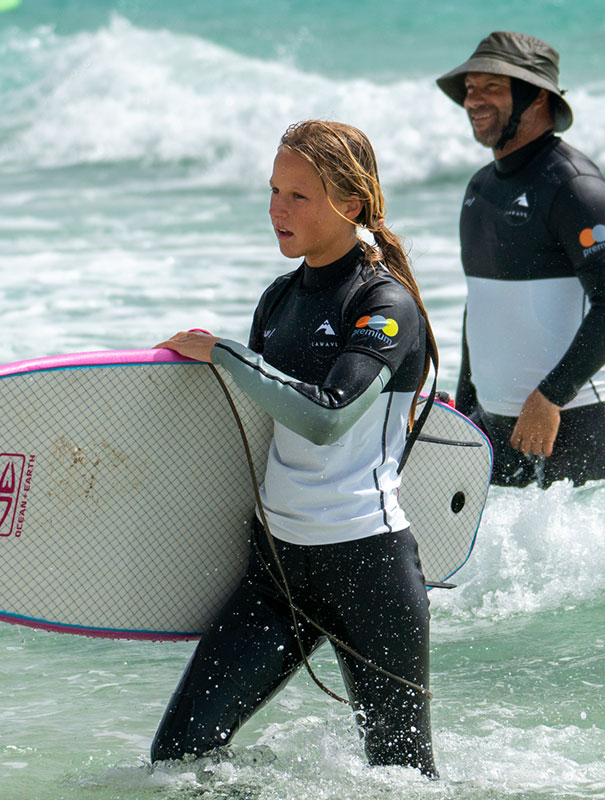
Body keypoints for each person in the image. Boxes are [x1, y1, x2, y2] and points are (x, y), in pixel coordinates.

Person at [151, 120, 440, 778]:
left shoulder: (384, 304)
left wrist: (225, 353)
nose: (278, 209)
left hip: (368, 570)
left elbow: (325, 418)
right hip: (279, 572)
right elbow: (255, 429)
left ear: (351, 204)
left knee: (402, 780)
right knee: (180, 756)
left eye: (299, 196)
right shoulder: (279, 300)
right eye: (274, 191)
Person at [436, 31, 605, 489]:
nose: (474, 100)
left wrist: (551, 397)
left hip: (574, 425)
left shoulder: (575, 187)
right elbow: (483, 310)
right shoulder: (480, 189)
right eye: (470, 88)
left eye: (492, 86)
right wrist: (466, 410)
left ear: (537, 97)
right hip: (492, 428)